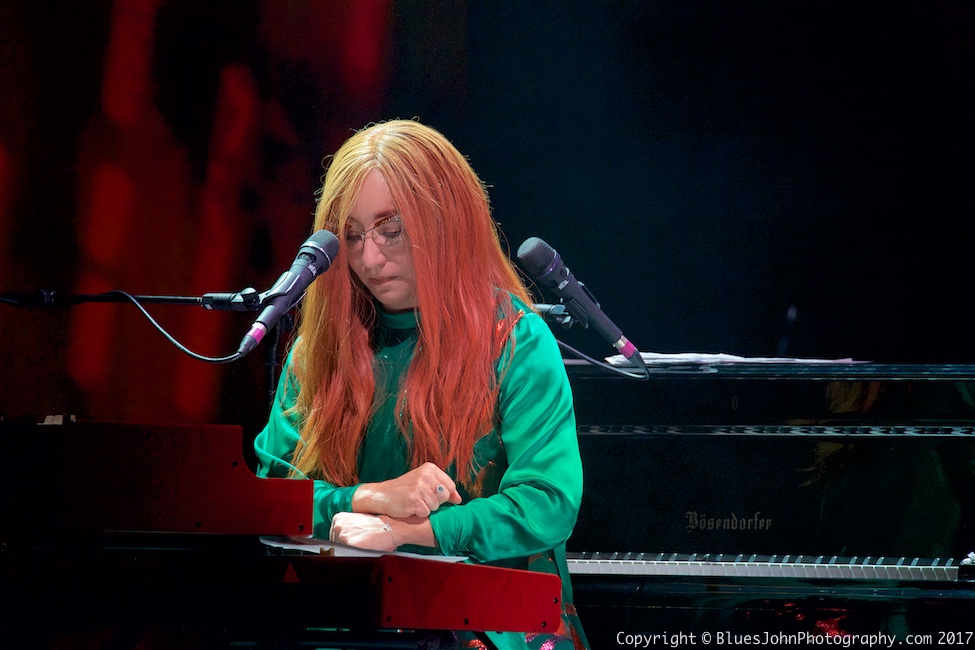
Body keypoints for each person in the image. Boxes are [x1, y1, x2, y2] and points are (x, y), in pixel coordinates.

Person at [254, 119, 589, 649]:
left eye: (391, 230)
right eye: (354, 235)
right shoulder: (316, 349)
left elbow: (547, 502)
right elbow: (270, 497)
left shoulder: (516, 341)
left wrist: (408, 533)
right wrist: (369, 497)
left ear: (445, 223)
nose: (368, 258)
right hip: (344, 623)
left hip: (487, 625)